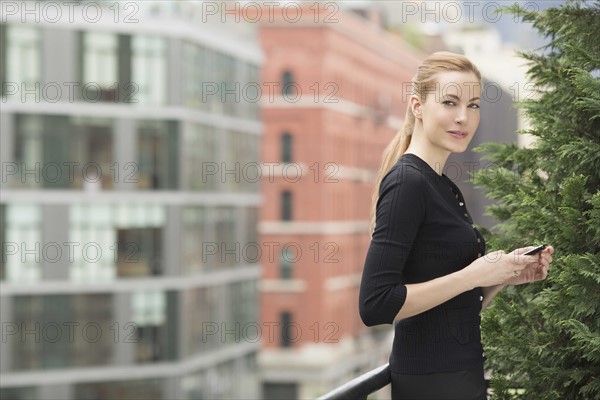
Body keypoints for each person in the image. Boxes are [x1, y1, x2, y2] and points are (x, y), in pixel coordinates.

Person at [358, 52, 554, 400]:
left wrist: (505, 275)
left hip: (459, 376)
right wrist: (475, 274)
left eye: (474, 105)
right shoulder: (408, 183)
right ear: (417, 106)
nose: (464, 117)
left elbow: (451, 308)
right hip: (432, 385)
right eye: (450, 102)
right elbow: (376, 304)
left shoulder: (443, 185)